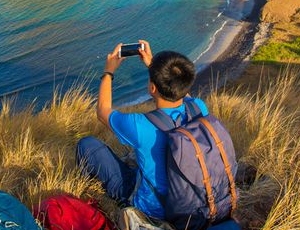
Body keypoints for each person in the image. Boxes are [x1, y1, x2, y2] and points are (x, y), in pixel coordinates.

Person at [76, 40, 208, 220]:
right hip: (192, 201)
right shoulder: (199, 108)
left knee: (87, 145)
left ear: (152, 88)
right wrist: (155, 67)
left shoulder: (141, 125)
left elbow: (102, 112)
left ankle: (91, 192)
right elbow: (181, 92)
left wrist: (108, 72)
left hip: (153, 209)